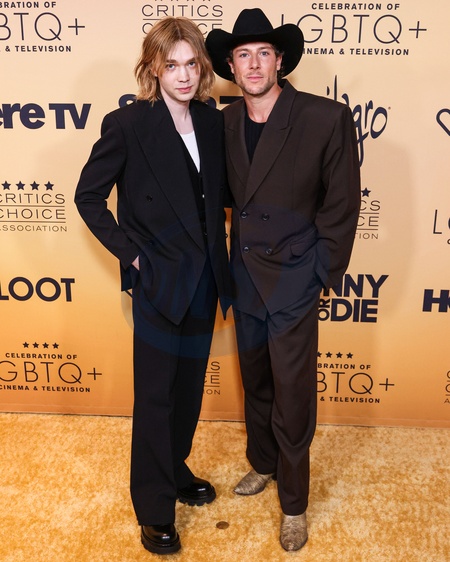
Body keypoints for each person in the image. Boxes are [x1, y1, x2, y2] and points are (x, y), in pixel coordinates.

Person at [75, 17, 231, 555]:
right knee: (156, 397)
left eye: (191, 64)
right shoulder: (127, 125)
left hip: (206, 279)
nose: (183, 75)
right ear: (153, 70)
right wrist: (135, 256)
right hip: (160, 282)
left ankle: (175, 468)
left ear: (202, 68)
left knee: (188, 391)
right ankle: (154, 507)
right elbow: (88, 198)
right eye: (172, 65)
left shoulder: (212, 121)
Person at [206, 8, 361, 552]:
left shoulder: (324, 117)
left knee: (293, 394)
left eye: (263, 54)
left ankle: (294, 503)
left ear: (280, 61)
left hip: (294, 279)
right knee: (257, 382)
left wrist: (319, 273)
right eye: (243, 55)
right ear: (231, 66)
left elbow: (342, 204)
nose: (253, 64)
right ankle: (264, 463)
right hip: (244, 275)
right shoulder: (222, 121)